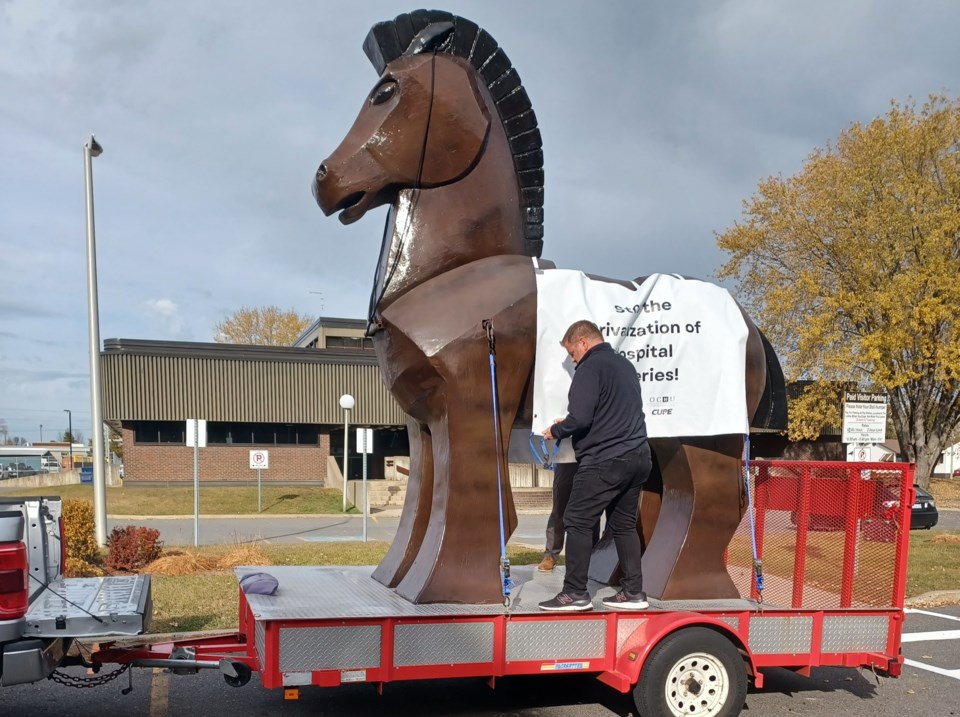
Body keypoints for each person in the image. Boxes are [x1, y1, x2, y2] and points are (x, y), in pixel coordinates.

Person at [537, 319, 652, 612]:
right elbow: (609, 411)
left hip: (605, 459)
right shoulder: (624, 366)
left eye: (572, 352)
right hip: (638, 455)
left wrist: (557, 430)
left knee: (576, 519)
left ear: (583, 342)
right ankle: (634, 592)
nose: (572, 359)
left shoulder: (589, 369)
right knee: (624, 525)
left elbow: (582, 418)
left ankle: (575, 593)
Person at [537, 461, 599, 572]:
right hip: (567, 458)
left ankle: (593, 554)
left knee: (591, 510)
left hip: (593, 456)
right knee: (559, 509)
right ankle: (551, 555)